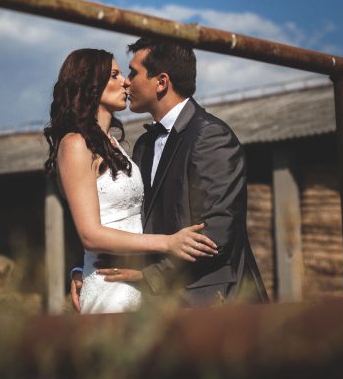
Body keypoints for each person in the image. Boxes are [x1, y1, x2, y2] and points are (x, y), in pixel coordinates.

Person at [73, 38, 268, 307]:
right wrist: (84, 267)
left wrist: (150, 275)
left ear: (161, 82)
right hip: (156, 303)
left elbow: (216, 232)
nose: (127, 82)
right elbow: (120, 213)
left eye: (133, 72)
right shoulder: (143, 145)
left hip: (211, 300)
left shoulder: (210, 136)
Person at [44, 48, 217, 314]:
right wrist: (169, 243)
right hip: (110, 284)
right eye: (114, 75)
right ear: (90, 83)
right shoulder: (74, 144)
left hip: (140, 280)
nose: (126, 81)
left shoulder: (117, 145)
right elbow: (89, 234)